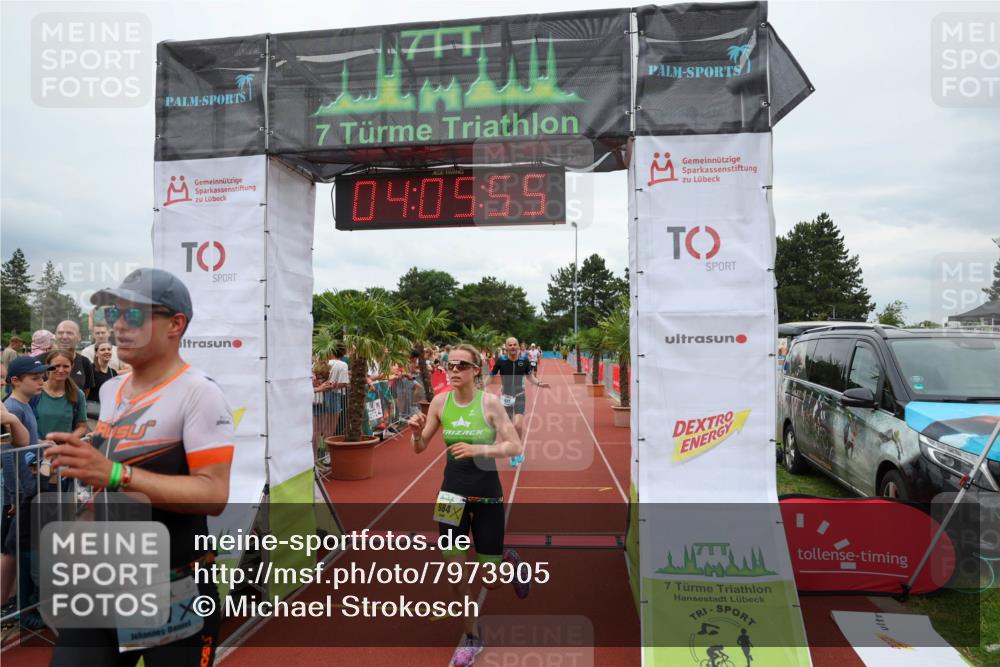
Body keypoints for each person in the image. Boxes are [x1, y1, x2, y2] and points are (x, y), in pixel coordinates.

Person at [45, 267, 232, 666]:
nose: (118, 326)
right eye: (114, 314)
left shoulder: (200, 392)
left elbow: (214, 494)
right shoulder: (111, 389)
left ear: (175, 324)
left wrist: (115, 473)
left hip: (171, 586)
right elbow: (106, 482)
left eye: (134, 316)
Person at [407, 344, 529, 667]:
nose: (454, 369)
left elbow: (515, 444)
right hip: (450, 496)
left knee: (490, 578)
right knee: (456, 572)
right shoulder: (439, 402)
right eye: (451, 364)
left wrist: (478, 449)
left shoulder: (489, 404)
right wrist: (416, 434)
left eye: (462, 365)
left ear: (477, 370)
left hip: (487, 496)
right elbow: (420, 448)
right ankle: (472, 637)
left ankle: (508, 560)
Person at [2, 356, 51, 631]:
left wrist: (44, 443)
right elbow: (8, 457)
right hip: (19, 493)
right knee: (13, 549)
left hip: (26, 490)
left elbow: (30, 441)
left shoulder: (24, 405)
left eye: (42, 376)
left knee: (20, 547)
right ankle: (15, 609)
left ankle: (19, 605)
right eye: (35, 377)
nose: (41, 381)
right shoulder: (11, 408)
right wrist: (14, 495)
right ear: (16, 381)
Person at [483, 337, 549, 441]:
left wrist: (539, 383)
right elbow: (491, 375)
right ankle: (510, 444)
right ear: (506, 347)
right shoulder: (501, 360)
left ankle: (517, 447)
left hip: (519, 395)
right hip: (506, 396)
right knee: (506, 425)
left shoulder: (524, 360)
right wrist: (482, 385)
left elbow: (529, 376)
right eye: (510, 345)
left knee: (518, 425)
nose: (512, 346)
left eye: (514, 344)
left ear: (518, 346)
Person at [49, 320, 96, 398]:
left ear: (79, 337)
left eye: (69, 333)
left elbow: (86, 390)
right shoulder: (41, 360)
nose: (64, 337)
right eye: (60, 333)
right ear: (55, 336)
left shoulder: (85, 362)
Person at [87, 342, 118, 418]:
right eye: (103, 350)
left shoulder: (113, 372)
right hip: (90, 414)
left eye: (109, 349)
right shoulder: (89, 369)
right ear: (96, 353)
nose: (106, 351)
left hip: (107, 414)